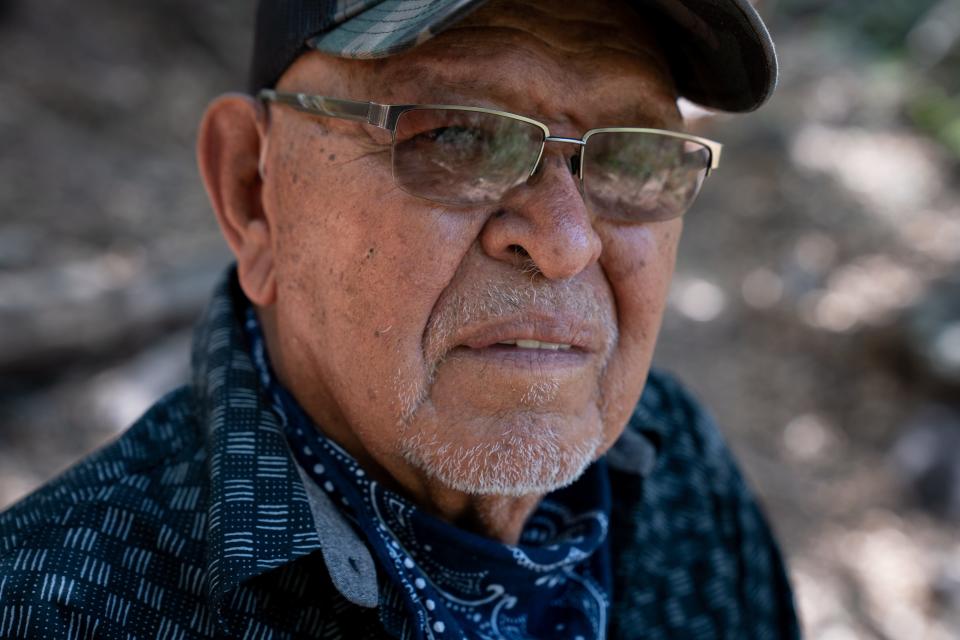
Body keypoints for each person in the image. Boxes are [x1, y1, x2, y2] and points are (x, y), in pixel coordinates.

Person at [0, 0, 800, 637]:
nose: (565, 241)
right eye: (455, 135)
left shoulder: (677, 462)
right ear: (254, 191)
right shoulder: (51, 608)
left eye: (635, 156)